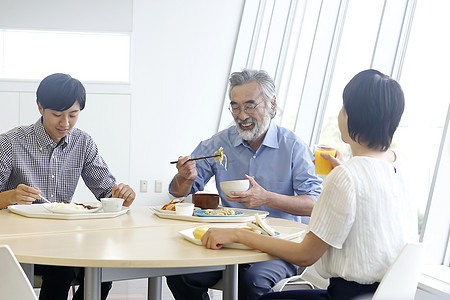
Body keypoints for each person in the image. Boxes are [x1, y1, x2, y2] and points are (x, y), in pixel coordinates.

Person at [201, 69, 418, 300]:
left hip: (348, 295)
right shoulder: (400, 168)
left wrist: (237, 234)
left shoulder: (346, 175)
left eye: (344, 108)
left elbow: (305, 256)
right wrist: (346, 174)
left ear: (354, 115)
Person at [167, 69, 322, 300]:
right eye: (235, 107)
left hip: (277, 247)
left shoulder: (293, 147)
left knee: (250, 283)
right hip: (227, 243)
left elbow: (314, 203)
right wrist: (185, 177)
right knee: (181, 276)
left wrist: (267, 198)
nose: (241, 115)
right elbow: (178, 191)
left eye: (250, 106)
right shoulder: (218, 144)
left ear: (272, 105)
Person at [0, 73, 136, 300]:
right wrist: (10, 196)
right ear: (40, 107)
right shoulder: (10, 143)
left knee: (103, 267)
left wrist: (121, 196)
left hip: (65, 239)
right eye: (57, 115)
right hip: (20, 243)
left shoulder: (83, 143)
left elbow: (106, 192)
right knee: (61, 267)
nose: (65, 123)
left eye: (73, 115)